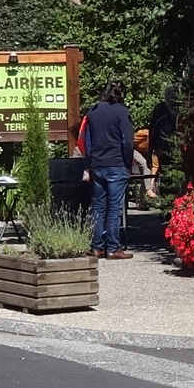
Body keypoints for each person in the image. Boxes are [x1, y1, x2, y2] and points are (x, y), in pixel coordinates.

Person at [82, 82, 135, 259]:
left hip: (97, 164)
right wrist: (128, 162)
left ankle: (96, 247)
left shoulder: (92, 112)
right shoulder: (121, 111)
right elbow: (127, 141)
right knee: (114, 208)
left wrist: (88, 164)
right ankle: (113, 247)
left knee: (98, 207)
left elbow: (86, 141)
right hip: (117, 164)